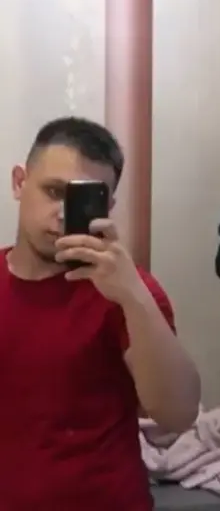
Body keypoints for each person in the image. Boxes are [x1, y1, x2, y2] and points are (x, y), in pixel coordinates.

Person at [0, 116, 201, 510]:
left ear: (107, 207)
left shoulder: (129, 292)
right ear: (20, 182)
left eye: (80, 199)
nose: (62, 213)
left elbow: (178, 414)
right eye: (53, 191)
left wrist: (132, 296)